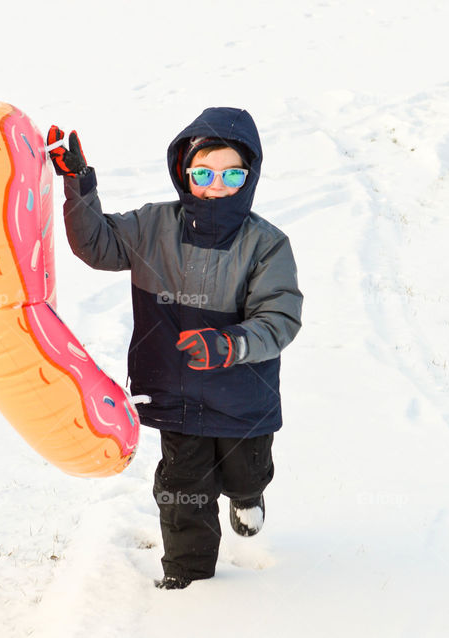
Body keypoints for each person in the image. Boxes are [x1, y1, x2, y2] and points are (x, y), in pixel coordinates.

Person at [47, 107, 302, 590]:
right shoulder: (154, 225)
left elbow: (280, 317)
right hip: (177, 392)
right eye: (204, 173)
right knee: (183, 488)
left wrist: (230, 344)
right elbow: (97, 246)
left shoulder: (266, 244)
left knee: (245, 472)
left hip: (242, 398)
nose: (217, 184)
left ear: (249, 177)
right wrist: (80, 184)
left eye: (232, 174)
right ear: (185, 172)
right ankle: (189, 578)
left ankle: (248, 497)